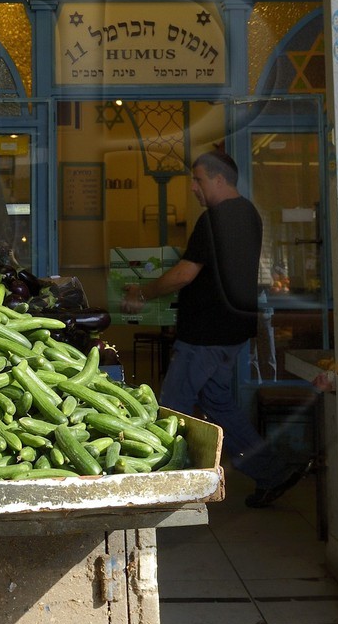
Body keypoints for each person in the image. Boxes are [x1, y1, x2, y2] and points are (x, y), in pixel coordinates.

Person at [122, 150, 306, 508]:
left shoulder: (214, 220)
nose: (193, 187)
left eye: (198, 180)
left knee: (171, 408)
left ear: (219, 179)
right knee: (219, 405)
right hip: (232, 332)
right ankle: (272, 473)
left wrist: (142, 292)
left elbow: (185, 273)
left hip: (205, 335)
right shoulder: (250, 215)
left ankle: (158, 494)